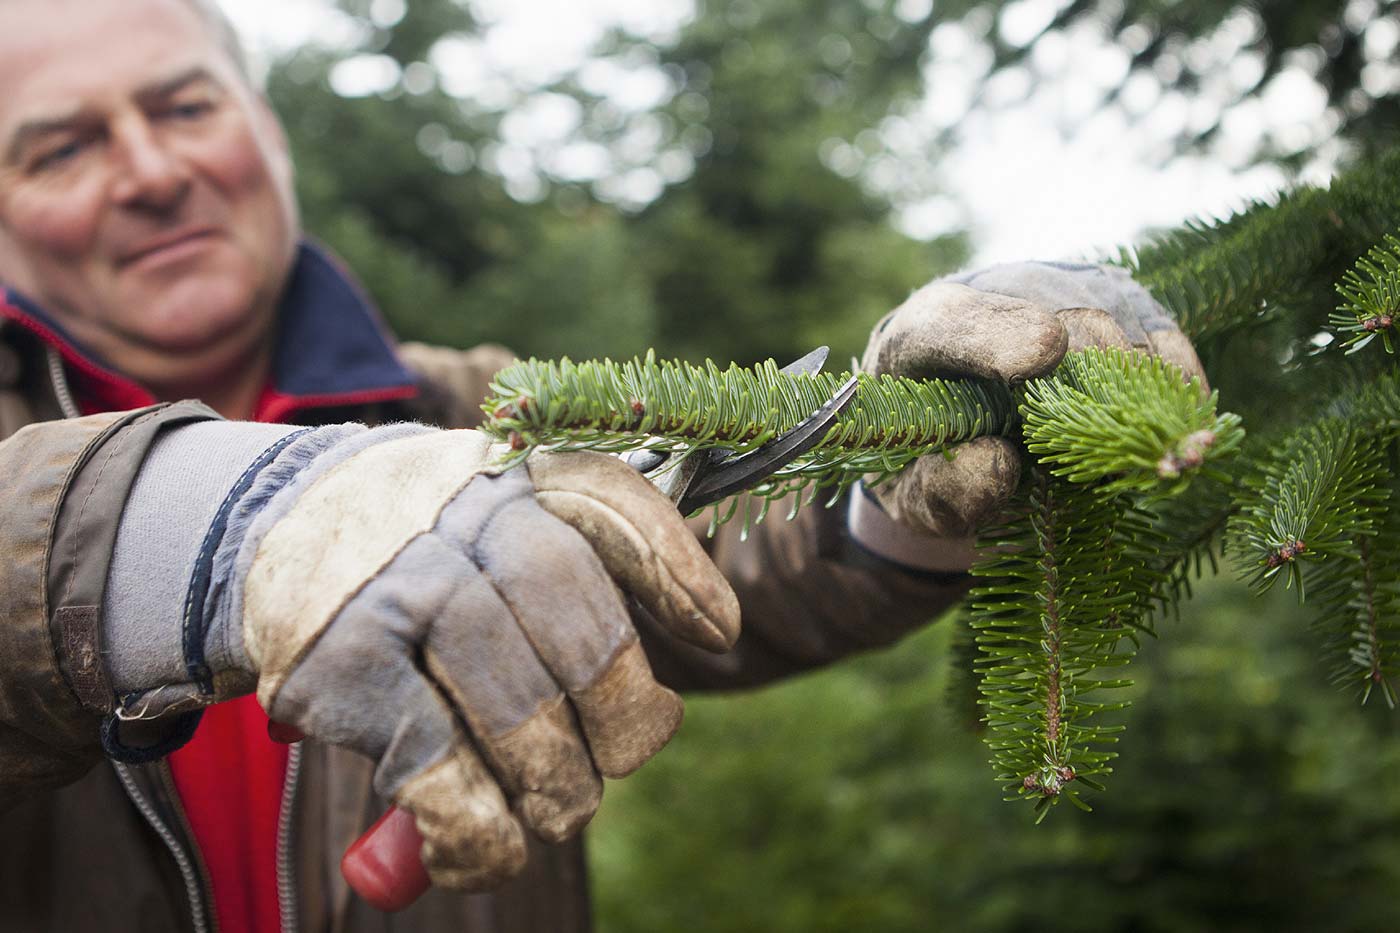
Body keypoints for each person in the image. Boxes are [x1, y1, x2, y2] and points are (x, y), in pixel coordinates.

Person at [0, 0, 1206, 931]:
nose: (150, 171)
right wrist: (192, 531)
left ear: (266, 130)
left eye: (186, 107)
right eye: (59, 149)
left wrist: (911, 467)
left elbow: (732, 554)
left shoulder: (471, 410)